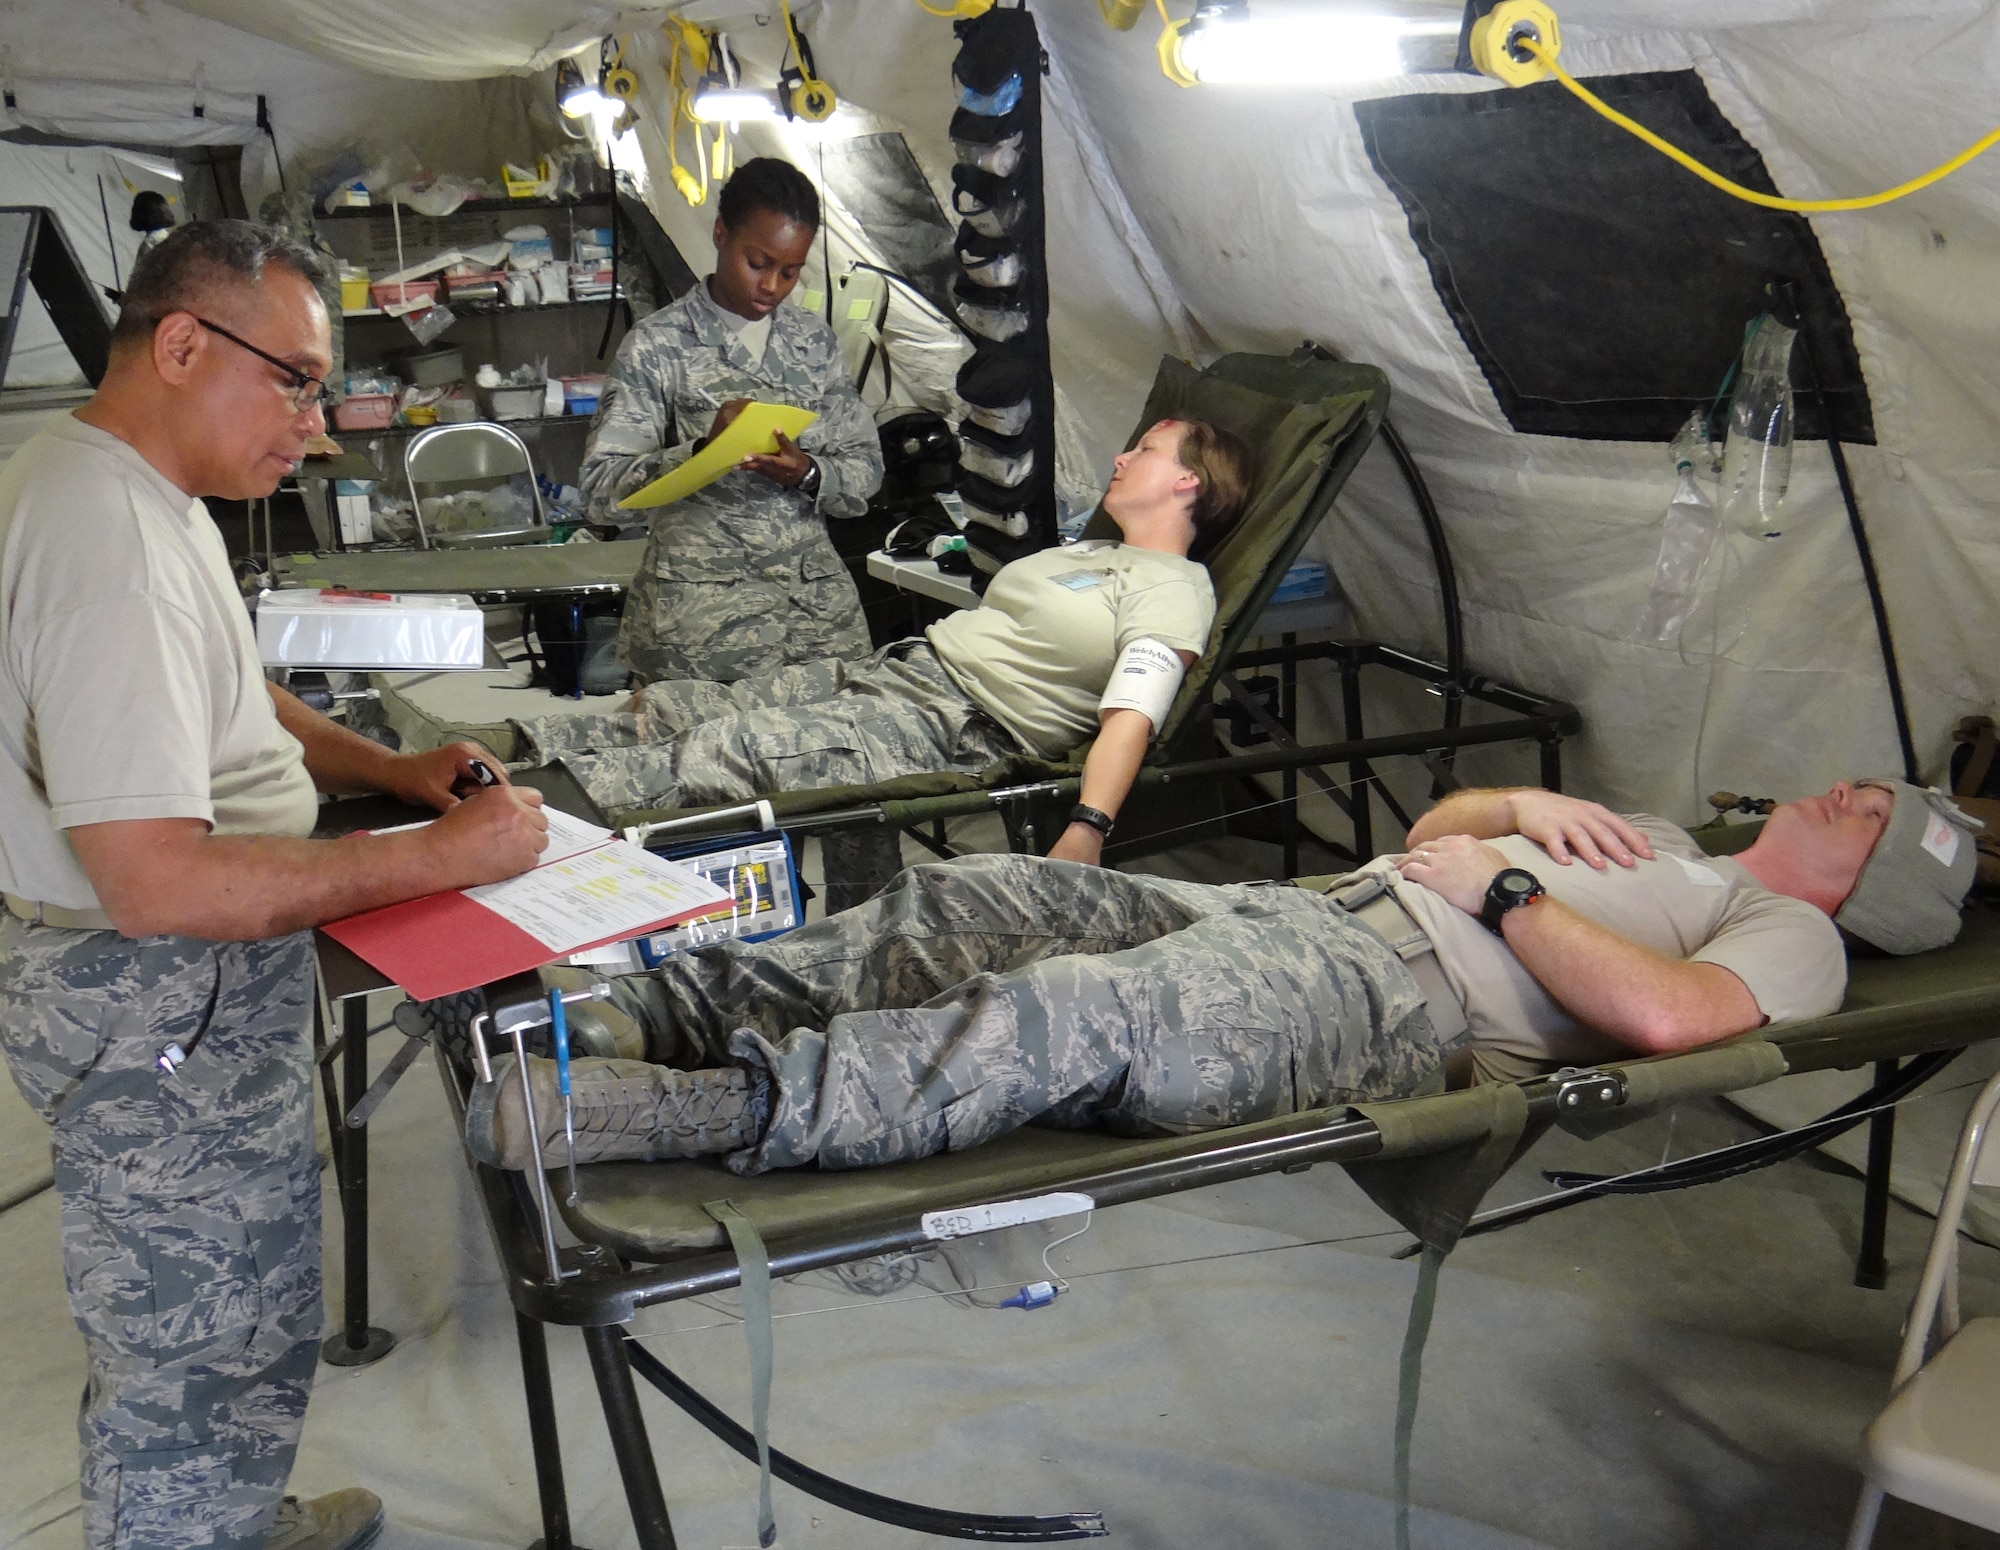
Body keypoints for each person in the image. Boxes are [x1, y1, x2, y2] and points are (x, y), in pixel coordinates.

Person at [0, 221, 549, 1550]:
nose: (315, 425)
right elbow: (151, 876)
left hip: (179, 992)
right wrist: (437, 857)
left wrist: (395, 769)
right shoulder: (105, 541)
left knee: (243, 1307)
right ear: (184, 342)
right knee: (185, 1346)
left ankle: (231, 1519)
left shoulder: (138, 485)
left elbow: (232, 694)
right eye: (297, 380)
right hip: (152, 991)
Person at [461, 777, 1981, 1176]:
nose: (1844, 791)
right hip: (1321, 910)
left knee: (1078, 1016)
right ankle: (654, 1000)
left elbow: (1666, 1018)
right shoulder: (1660, 836)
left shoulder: (1799, 939)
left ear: (1875, 886)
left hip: (1396, 1007)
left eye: (1871, 813)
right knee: (987, 896)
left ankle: (699, 1107)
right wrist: (1508, 815)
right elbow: (1428, 833)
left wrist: (1507, 888)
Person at [520, 416, 1253, 909]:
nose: (1123, 457)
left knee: (724, 752)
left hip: (962, 723)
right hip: (901, 673)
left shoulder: (1172, 589)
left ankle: (513, 821)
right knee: (675, 706)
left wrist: (1088, 826)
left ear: (1190, 481)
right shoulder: (1095, 550)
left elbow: (1132, 717)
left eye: (1148, 450)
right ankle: (503, 757)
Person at [580, 157, 884, 686]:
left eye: (790, 271)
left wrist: (808, 472)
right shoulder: (659, 344)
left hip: (813, 623)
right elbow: (601, 490)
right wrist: (701, 452)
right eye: (757, 261)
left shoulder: (813, 342)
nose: (771, 285)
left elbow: (864, 471)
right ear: (721, 234)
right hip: (702, 628)